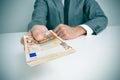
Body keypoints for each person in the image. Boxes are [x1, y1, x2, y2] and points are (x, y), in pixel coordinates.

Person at [27, 0, 108, 41]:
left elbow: (101, 18)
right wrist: (36, 26)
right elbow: (37, 19)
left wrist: (78, 30)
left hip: (82, 46)